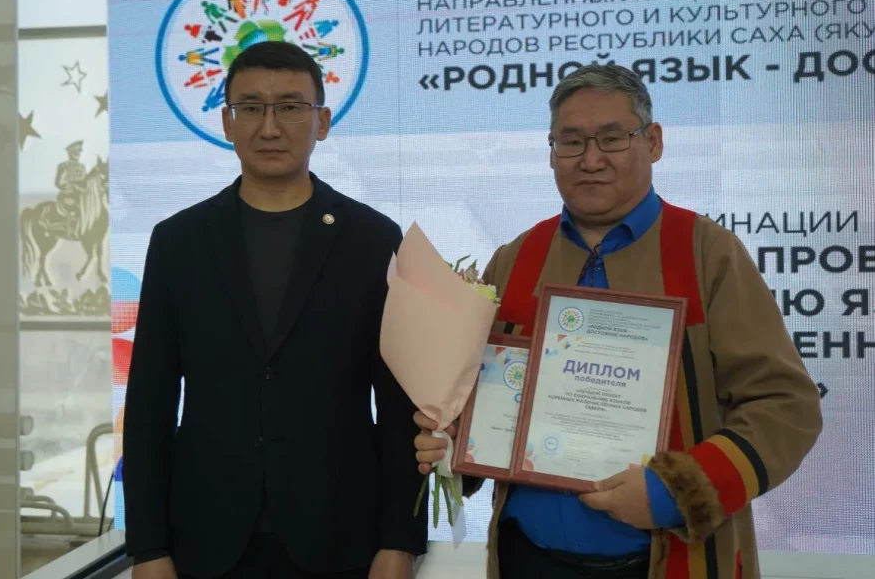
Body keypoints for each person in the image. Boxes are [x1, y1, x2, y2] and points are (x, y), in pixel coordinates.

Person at [413, 64, 823, 579]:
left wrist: (675, 491)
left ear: (652, 142)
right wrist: (454, 443)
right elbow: (481, 404)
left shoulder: (707, 254)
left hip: (669, 561)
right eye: (571, 142)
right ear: (551, 152)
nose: (590, 160)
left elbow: (786, 406)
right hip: (525, 559)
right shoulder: (515, 259)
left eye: (611, 138)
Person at [122, 41, 426, 579]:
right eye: (251, 108)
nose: (269, 127)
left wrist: (400, 540)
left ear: (322, 122)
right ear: (227, 122)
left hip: (340, 537)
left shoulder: (372, 239)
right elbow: (150, 404)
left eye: (289, 107)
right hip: (206, 540)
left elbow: (399, 407)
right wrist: (147, 549)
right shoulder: (178, 242)